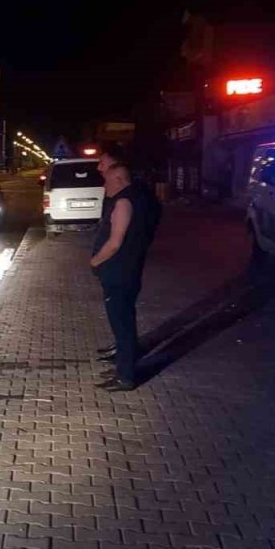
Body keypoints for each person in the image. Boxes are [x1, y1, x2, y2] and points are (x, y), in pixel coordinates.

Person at [90, 163, 159, 390]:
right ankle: (123, 367)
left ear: (119, 180)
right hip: (127, 271)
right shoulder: (137, 199)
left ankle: (126, 376)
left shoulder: (123, 203)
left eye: (108, 181)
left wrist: (95, 260)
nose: (104, 186)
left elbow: (115, 242)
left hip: (119, 272)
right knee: (124, 322)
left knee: (122, 325)